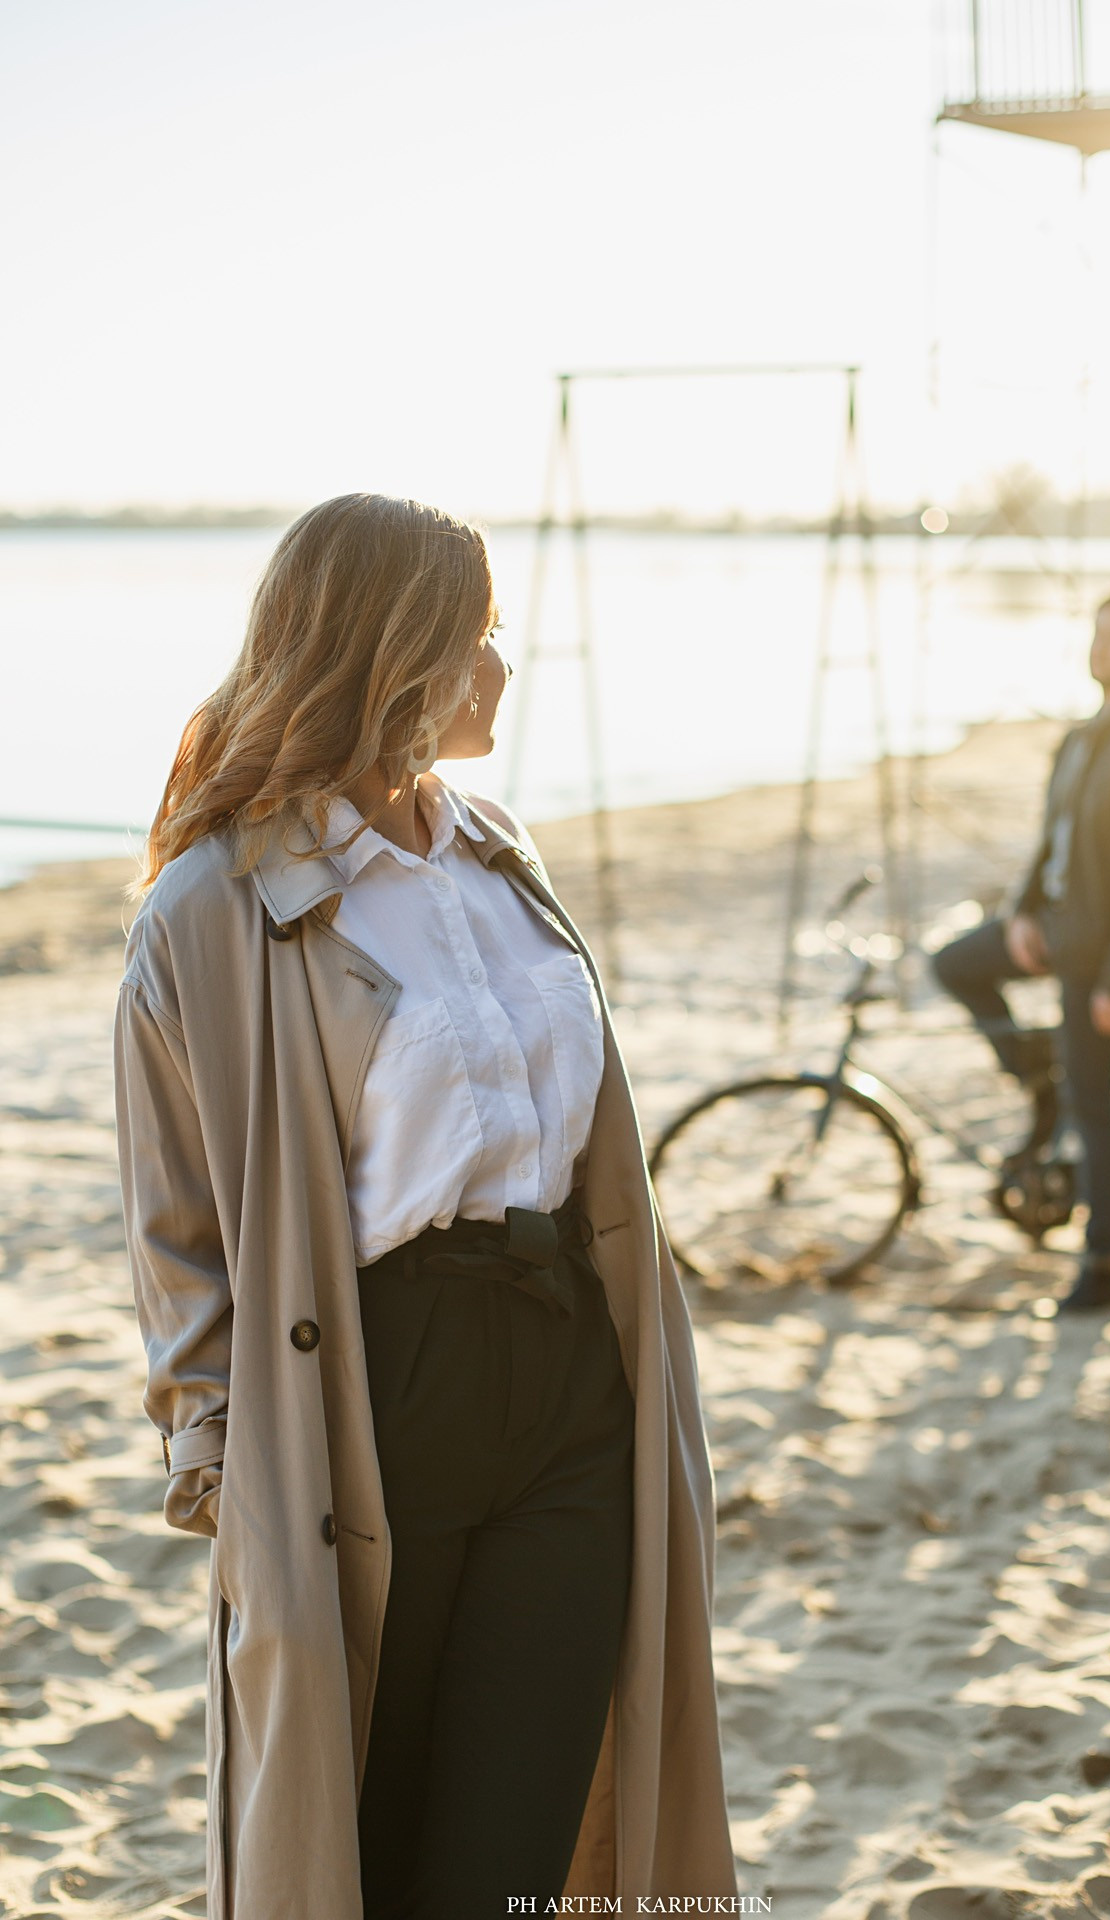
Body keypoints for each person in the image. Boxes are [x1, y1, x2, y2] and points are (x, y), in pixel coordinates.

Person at [112, 494, 738, 1919]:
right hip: (374, 1396)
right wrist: (216, 1454)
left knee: (525, 1834)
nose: (505, 662)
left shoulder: (499, 853)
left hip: (578, 1382)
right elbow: (178, 1225)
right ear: (393, 650)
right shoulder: (214, 909)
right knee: (373, 1842)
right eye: (481, 632)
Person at [931, 593, 1110, 1313]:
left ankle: (1102, 1263)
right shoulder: (1081, 738)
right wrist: (1020, 912)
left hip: (1104, 953)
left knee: (1094, 1102)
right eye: (1096, 633)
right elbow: (1048, 843)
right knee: (953, 964)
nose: (1101, 647)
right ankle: (1034, 1073)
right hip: (1052, 928)